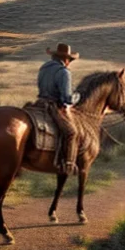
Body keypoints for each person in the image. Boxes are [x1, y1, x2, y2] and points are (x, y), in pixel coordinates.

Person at [36, 43, 81, 174]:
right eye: (70, 60)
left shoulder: (43, 68)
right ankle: (68, 164)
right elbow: (67, 98)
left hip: (39, 103)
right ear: (66, 60)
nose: (69, 63)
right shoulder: (63, 72)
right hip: (53, 107)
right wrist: (77, 96)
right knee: (71, 132)